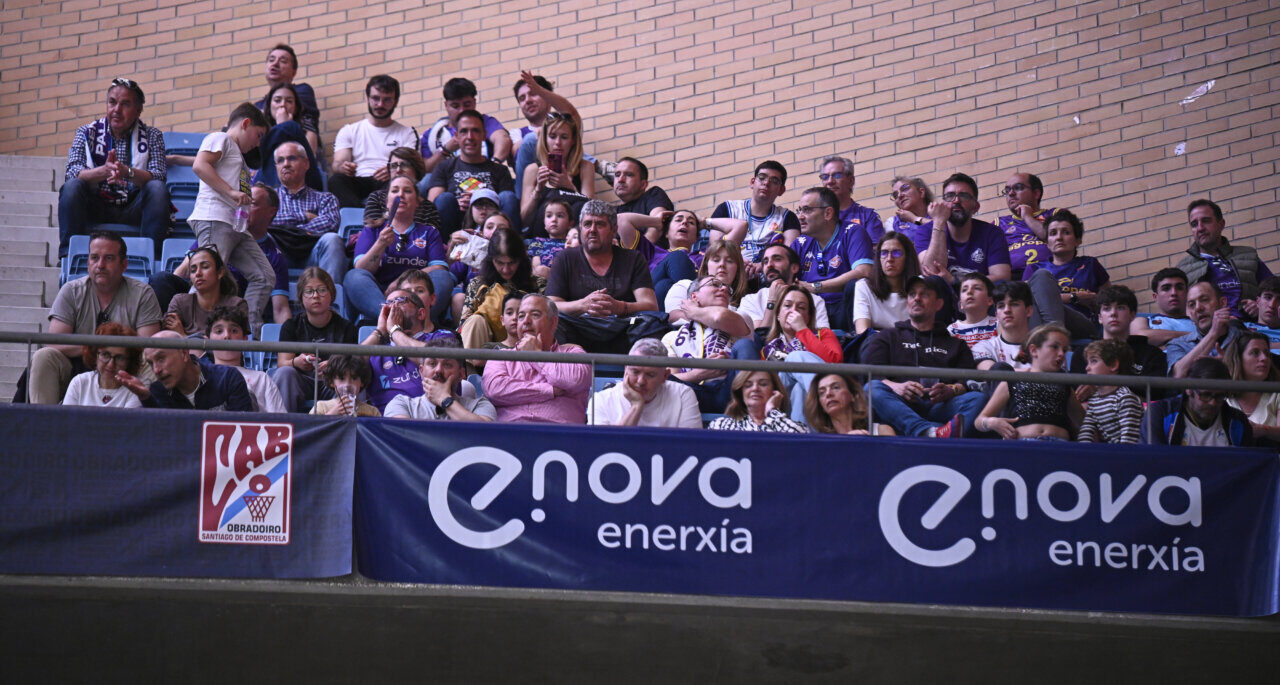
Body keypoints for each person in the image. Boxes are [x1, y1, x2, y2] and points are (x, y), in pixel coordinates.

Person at [28, 231, 162, 404]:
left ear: (124, 265)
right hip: (76, 364)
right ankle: (45, 426)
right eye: (94, 258)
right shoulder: (71, 291)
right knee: (44, 356)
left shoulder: (143, 294)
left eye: (109, 258)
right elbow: (55, 342)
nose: (100, 265)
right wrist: (95, 349)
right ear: (87, 262)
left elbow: (148, 345)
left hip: (126, 365)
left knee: (152, 361)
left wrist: (111, 352)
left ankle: (152, 422)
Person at [862, 276, 986, 438]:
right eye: (912, 294)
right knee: (872, 388)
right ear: (907, 302)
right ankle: (931, 431)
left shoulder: (956, 344)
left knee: (979, 399)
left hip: (941, 405)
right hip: (901, 404)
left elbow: (966, 382)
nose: (917, 299)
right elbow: (872, 375)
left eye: (925, 294)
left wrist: (951, 390)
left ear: (939, 304)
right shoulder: (887, 337)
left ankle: (928, 431)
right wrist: (897, 387)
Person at [188, 102, 274, 337]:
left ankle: (245, 333)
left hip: (235, 225)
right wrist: (231, 192)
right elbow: (200, 164)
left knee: (264, 276)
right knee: (206, 277)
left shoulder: (240, 159)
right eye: (258, 135)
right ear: (245, 124)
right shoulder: (221, 139)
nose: (258, 143)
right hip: (214, 218)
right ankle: (194, 336)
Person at [58, 77, 168, 259]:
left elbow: (159, 176)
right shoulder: (86, 133)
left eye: (125, 104)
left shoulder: (152, 136)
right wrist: (103, 172)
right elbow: (72, 172)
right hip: (96, 204)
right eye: (112, 102)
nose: (117, 110)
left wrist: (127, 173)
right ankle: (68, 256)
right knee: (72, 187)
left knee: (157, 189)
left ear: (138, 110)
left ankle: (153, 259)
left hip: (134, 207)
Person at [545, 200, 658, 353]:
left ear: (614, 230)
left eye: (600, 224)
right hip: (578, 329)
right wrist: (582, 305)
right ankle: (565, 373)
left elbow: (650, 305)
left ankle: (638, 373)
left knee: (653, 324)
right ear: (580, 229)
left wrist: (620, 307)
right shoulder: (565, 258)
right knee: (551, 322)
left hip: (622, 329)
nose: (592, 230)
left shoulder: (633, 259)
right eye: (587, 224)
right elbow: (552, 305)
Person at [344, 176, 451, 326]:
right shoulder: (372, 230)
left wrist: (401, 282)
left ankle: (414, 320)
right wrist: (380, 243)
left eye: (407, 191)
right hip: (380, 293)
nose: (400, 195)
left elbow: (439, 268)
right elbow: (361, 269)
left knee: (443, 277)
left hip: (416, 294)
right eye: (395, 191)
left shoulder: (429, 232)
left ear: (417, 202)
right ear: (387, 202)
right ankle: (389, 318)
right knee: (353, 277)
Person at [483, 294, 591, 423]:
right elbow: (495, 390)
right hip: (511, 434)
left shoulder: (573, 353)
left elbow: (574, 381)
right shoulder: (501, 356)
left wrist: (535, 355)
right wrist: (549, 390)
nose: (526, 321)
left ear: (553, 322)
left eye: (535, 315)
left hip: (561, 436)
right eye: (521, 316)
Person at [273, 266, 358, 412]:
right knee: (285, 373)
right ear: (301, 296)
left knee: (346, 380)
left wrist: (333, 366)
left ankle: (340, 429)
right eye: (309, 291)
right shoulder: (291, 326)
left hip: (332, 383)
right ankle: (283, 427)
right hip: (302, 381)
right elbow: (282, 363)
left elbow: (352, 364)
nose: (315, 296)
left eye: (322, 290)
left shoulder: (347, 327)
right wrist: (297, 362)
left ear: (332, 294)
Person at [663, 275, 753, 412]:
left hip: (732, 389)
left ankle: (749, 415)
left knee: (745, 346)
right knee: (658, 379)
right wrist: (701, 373)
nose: (723, 288)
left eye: (726, 288)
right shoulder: (672, 337)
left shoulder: (741, 316)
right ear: (694, 297)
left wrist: (694, 311)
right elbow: (671, 378)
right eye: (714, 284)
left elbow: (719, 317)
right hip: (693, 393)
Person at [976, 324, 1082, 440]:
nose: (1061, 354)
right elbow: (980, 420)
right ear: (1034, 350)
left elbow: (1083, 422)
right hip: (1024, 444)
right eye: (1054, 347)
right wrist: (991, 423)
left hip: (1059, 445)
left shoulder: (1064, 384)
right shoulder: (1012, 381)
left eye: (1065, 350)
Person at [423, 109, 519, 236]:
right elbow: (432, 204)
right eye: (464, 131)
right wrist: (457, 203)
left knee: (508, 196)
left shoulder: (499, 170)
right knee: (444, 199)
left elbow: (507, 206)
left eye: (475, 131)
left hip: (491, 228)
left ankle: (510, 248)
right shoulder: (444, 167)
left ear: (484, 135)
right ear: (456, 136)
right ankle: (443, 250)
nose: (469, 137)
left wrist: (479, 203)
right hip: (454, 228)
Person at [789, 186, 874, 331]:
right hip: (812, 309)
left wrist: (816, 287)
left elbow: (864, 271)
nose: (800, 216)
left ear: (828, 213)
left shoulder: (852, 232)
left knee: (855, 285)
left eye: (807, 210)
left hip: (845, 307)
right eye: (799, 210)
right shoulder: (801, 243)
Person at [360, 287, 457, 412]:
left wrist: (394, 331)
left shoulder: (441, 337)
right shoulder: (377, 352)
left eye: (400, 300)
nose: (393, 306)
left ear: (421, 313)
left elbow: (436, 360)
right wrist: (379, 331)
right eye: (388, 303)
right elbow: (345, 368)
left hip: (435, 419)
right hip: (387, 425)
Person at [329, 75, 419, 207]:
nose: (380, 105)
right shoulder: (349, 130)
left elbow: (412, 167)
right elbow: (337, 164)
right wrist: (343, 167)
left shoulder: (407, 133)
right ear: (367, 98)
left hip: (389, 181)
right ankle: (359, 217)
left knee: (399, 183)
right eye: (375, 98)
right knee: (336, 180)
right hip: (358, 179)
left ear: (396, 101)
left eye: (387, 100)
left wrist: (393, 170)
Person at [1176, 199, 1273, 320]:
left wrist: (1261, 307)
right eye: (1194, 224)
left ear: (1221, 224)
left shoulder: (1248, 256)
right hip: (1208, 331)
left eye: (1206, 221)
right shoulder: (1183, 268)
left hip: (1251, 327)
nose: (1200, 228)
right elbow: (1177, 310)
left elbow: (1274, 291)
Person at [267, 141, 347, 282]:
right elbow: (263, 223)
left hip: (314, 253)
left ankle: (332, 301)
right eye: (280, 160)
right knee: (265, 238)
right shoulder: (267, 198)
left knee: (332, 239)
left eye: (292, 158)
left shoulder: (325, 198)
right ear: (276, 167)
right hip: (280, 254)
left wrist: (285, 229)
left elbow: (330, 223)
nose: (286, 164)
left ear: (306, 163)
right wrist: (304, 217)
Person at [1022, 208, 1106, 339]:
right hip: (1040, 324)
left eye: (1066, 232)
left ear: (1077, 240)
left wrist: (1094, 300)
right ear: (1047, 242)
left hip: (1081, 323)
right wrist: (1074, 297)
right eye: (1053, 233)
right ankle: (1053, 340)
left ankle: (1051, 341)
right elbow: (1024, 302)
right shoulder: (1034, 268)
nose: (1059, 237)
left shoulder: (1090, 264)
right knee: (1041, 277)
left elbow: (1108, 300)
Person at [116, 331, 254, 411]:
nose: (156, 370)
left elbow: (245, 432)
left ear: (183, 353)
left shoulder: (228, 378)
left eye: (161, 358)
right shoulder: (156, 391)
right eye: (151, 363)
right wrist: (146, 399)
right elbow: (164, 438)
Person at [458, 226, 546, 350]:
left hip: (527, 346)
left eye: (511, 263)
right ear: (491, 260)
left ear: (521, 260)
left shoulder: (538, 285)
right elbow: (464, 326)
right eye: (500, 263)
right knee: (474, 321)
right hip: (485, 350)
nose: (506, 269)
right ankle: (470, 368)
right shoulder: (478, 285)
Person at [918, 172, 1013, 286]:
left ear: (976, 207)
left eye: (964, 196)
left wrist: (956, 281)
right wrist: (938, 222)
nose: (956, 200)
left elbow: (1002, 277)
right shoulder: (925, 231)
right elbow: (931, 273)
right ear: (943, 203)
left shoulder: (992, 233)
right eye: (950, 196)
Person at [763, 285, 843, 421]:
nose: (793, 311)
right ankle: (840, 413)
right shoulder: (768, 349)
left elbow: (834, 363)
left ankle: (800, 438)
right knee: (795, 357)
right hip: (782, 405)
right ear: (778, 315)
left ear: (808, 316)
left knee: (799, 390)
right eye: (787, 306)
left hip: (812, 410)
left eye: (801, 308)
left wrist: (802, 330)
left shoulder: (823, 335)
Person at [1067, 285, 1167, 388]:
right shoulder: (1082, 354)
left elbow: (1156, 394)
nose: (1113, 313)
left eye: (1120, 308)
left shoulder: (1151, 355)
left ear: (1132, 315)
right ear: (1100, 318)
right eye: (1107, 308)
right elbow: (1077, 396)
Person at [586, 338, 701, 428]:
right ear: (626, 369)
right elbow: (604, 450)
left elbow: (691, 447)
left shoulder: (682, 395)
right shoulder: (601, 400)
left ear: (665, 376)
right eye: (635, 372)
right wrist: (636, 406)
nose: (640, 381)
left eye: (650, 375)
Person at [1141, 357, 1254, 446]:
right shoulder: (1160, 414)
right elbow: (1152, 461)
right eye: (1205, 395)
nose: (1212, 403)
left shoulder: (1238, 420)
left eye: (1219, 396)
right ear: (1188, 389)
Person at [708, 161, 800, 263]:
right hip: (731, 268)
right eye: (761, 177)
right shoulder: (727, 208)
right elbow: (715, 250)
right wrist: (740, 264)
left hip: (768, 272)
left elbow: (789, 256)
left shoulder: (787, 217)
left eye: (774, 181)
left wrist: (760, 266)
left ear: (781, 190)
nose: (766, 183)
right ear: (752, 182)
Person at [519, 111, 595, 236]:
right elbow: (524, 220)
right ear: (545, 139)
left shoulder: (585, 167)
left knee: (578, 206)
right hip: (541, 237)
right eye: (552, 136)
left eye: (564, 137)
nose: (558, 143)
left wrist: (569, 187)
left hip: (573, 238)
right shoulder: (533, 170)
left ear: (573, 141)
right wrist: (538, 191)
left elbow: (590, 210)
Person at [385, 337, 496, 421]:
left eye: (447, 365)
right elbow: (400, 439)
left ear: (461, 374)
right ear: (421, 371)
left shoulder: (480, 405)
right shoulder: (401, 404)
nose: (438, 370)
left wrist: (444, 400)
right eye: (432, 364)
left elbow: (485, 434)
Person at [510, 71, 584, 195]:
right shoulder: (517, 133)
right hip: (529, 190)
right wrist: (541, 133)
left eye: (533, 94)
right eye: (522, 98)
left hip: (566, 182)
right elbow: (514, 154)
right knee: (530, 139)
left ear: (548, 97)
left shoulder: (565, 125)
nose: (527, 100)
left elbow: (571, 114)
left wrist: (540, 90)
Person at [420, 77, 512, 173]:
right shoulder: (432, 135)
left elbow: (503, 138)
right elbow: (424, 170)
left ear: (474, 102)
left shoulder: (485, 122)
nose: (462, 110)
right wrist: (446, 150)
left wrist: (494, 165)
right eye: (455, 106)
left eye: (467, 104)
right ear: (446, 105)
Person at [204, 306, 286, 413]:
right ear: (207, 340)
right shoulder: (202, 378)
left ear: (245, 340)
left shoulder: (262, 379)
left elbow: (280, 422)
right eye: (219, 331)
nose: (227, 336)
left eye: (234, 331)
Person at [732, 243, 830, 329]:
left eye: (777, 259)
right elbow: (756, 340)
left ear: (794, 268)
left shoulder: (814, 301)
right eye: (765, 262)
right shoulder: (751, 300)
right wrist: (772, 302)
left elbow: (822, 339)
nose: (769, 265)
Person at [162, 246, 248, 336]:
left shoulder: (236, 305)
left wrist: (183, 337)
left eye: (205, 267)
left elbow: (229, 345)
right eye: (193, 270)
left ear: (220, 273)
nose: (198, 273)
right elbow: (169, 341)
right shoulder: (179, 302)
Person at [1167, 280, 1247, 377]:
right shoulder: (1178, 344)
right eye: (1192, 305)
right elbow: (1178, 377)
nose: (1198, 308)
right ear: (1189, 314)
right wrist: (1213, 333)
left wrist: (1229, 366)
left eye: (1204, 300)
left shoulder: (1244, 337)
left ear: (1222, 303)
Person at [255, 82, 323, 190]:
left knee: (291, 127)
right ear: (269, 105)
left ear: (295, 107)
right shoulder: (259, 133)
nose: (283, 104)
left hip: (304, 184)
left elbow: (308, 160)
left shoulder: (305, 129)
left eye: (289, 101)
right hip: (265, 184)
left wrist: (284, 126)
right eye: (277, 100)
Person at [1075, 339, 1143, 444]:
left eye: (1094, 361)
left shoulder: (1125, 398)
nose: (1087, 368)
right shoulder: (1094, 399)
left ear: (1113, 365)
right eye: (1087, 362)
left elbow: (1129, 440)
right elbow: (1087, 430)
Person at [61, 321, 143, 409]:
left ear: (130, 361)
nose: (111, 364)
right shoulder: (80, 382)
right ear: (95, 354)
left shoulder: (135, 388)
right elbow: (67, 421)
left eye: (119, 358)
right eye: (105, 354)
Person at [254, 44, 320, 151]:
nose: (275, 64)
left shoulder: (303, 90)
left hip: (303, 150)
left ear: (294, 72)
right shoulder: (258, 105)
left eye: (283, 61)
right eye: (271, 60)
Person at [853, 231, 920, 334]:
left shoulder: (921, 285)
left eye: (896, 253)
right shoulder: (864, 286)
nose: (889, 259)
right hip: (877, 344)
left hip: (913, 344)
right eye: (884, 253)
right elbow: (862, 331)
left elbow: (925, 329)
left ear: (908, 257)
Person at [363, 148, 444, 228]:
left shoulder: (428, 208)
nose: (398, 170)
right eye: (394, 166)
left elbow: (430, 238)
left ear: (416, 170)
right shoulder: (377, 198)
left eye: (404, 165)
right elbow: (372, 232)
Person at [1223, 331, 1280, 444]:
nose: (1264, 358)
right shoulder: (1222, 395)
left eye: (1267, 353)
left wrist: (1264, 431)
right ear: (1238, 358)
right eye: (1255, 352)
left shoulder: (1277, 393)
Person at [994, 172, 1053, 280]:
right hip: (1012, 281)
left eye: (1018, 188)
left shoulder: (1055, 215)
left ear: (1036, 194)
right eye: (1007, 190)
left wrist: (1027, 217)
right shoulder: (999, 223)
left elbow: (1052, 238)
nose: (1011, 193)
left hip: (1051, 274)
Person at [707, 371, 808, 432]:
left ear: (775, 391)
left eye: (763, 384)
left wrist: (772, 411)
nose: (755, 388)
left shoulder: (793, 426)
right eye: (748, 385)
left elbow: (801, 439)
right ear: (740, 392)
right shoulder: (721, 426)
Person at [818, 156, 885, 244]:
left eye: (837, 175)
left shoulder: (868, 216)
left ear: (851, 181)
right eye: (825, 177)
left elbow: (877, 252)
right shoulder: (816, 217)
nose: (830, 181)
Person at [804, 372, 894, 436]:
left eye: (835, 387)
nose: (828, 394)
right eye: (822, 393)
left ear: (853, 395)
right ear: (821, 406)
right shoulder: (821, 444)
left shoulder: (882, 431)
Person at [973, 280, 1036, 371]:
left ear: (1029, 311)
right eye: (1001, 306)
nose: (1007, 310)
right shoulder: (984, 347)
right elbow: (991, 373)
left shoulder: (1045, 347)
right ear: (997, 315)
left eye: (1014, 304)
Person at [1131, 267, 1194, 347]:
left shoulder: (1199, 322)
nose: (1173, 293)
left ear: (1187, 294)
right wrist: (1192, 336)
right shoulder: (1143, 321)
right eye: (1166, 288)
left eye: (1179, 288)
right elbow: (1139, 338)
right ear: (1155, 297)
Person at [310, 354, 380, 417]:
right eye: (341, 378)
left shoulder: (372, 412)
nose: (347, 384)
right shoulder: (321, 407)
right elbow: (310, 429)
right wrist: (330, 415)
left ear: (362, 382)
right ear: (332, 382)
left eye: (354, 378)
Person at [947, 272, 998, 350]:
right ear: (960, 304)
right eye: (964, 290)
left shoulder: (998, 325)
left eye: (977, 288)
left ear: (990, 300)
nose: (969, 292)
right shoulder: (953, 330)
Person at [528, 197, 575, 279]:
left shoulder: (572, 243)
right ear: (544, 224)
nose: (554, 219)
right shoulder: (538, 241)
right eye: (549, 216)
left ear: (570, 224)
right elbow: (537, 268)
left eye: (560, 216)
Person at [886, 175, 933, 247]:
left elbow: (942, 227)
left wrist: (915, 219)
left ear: (921, 192)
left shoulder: (938, 213)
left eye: (904, 188)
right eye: (895, 195)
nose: (899, 195)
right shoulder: (892, 223)